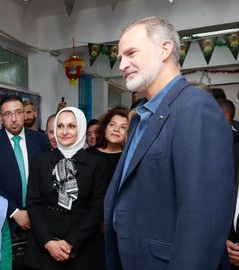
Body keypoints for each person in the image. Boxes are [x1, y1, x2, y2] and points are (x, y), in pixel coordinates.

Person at [104, 16, 235, 270]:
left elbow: (203, 221)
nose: (122, 65)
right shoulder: (142, 115)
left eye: (131, 53)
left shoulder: (194, 107)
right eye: (120, 57)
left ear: (165, 49)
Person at [24, 107, 108, 270]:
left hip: (84, 247)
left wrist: (71, 242)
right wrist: (48, 241)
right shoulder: (40, 161)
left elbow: (97, 208)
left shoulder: (97, 164)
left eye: (71, 126)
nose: (64, 131)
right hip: (44, 248)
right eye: (60, 126)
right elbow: (33, 203)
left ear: (81, 128)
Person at [0, 95, 50, 232]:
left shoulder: (41, 140)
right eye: (7, 114)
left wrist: (36, 210)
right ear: (0, 118)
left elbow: (47, 177)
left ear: (24, 114)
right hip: (5, 218)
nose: (14, 119)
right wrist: (14, 211)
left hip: (39, 216)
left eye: (18, 112)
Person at [87, 107, 129, 185]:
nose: (116, 129)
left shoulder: (128, 158)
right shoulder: (88, 154)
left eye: (123, 127)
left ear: (128, 133)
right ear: (105, 128)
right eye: (112, 124)